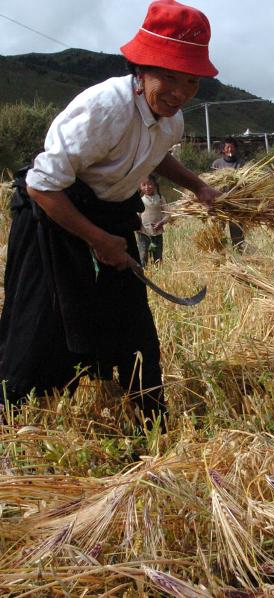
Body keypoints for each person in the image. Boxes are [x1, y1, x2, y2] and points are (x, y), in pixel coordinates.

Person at [0, 0, 220, 424]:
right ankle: (16, 418)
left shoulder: (170, 120)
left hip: (112, 218)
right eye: (168, 77)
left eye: (190, 81)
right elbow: (42, 185)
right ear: (141, 69)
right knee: (42, 322)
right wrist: (97, 240)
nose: (179, 92)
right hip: (54, 214)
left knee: (131, 319)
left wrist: (198, 185)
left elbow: (157, 155)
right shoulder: (104, 108)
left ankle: (148, 415)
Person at [212, 137, 246, 250]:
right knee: (218, 231)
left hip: (236, 203)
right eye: (227, 147)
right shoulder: (216, 164)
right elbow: (211, 182)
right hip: (219, 203)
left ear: (236, 149)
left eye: (232, 147)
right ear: (223, 150)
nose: (230, 149)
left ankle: (239, 254)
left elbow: (245, 183)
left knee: (237, 234)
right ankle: (219, 253)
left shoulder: (241, 164)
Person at [137, 175, 169, 266]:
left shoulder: (160, 198)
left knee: (158, 257)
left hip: (157, 232)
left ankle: (160, 276)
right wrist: (139, 228)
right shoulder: (139, 200)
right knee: (143, 256)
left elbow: (168, 214)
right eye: (144, 185)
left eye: (150, 184)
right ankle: (144, 275)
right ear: (140, 186)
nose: (147, 187)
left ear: (155, 185)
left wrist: (161, 222)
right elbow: (137, 217)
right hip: (143, 234)